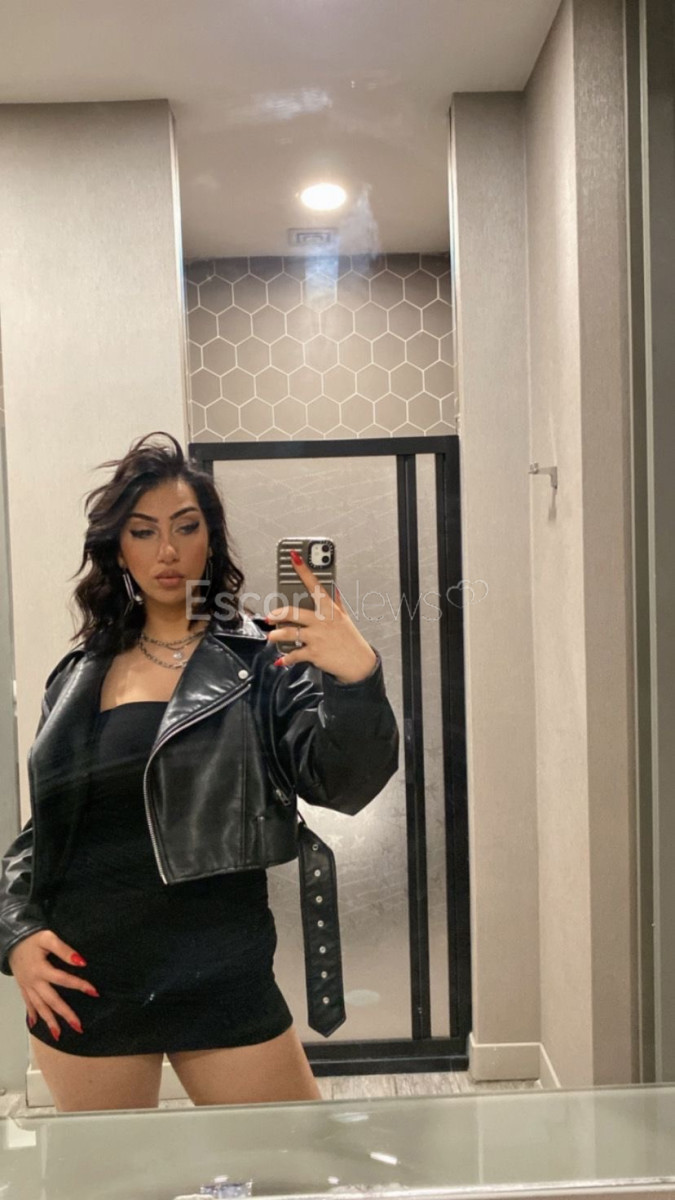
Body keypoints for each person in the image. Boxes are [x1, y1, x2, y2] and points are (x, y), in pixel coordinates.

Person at [0, 431, 399, 1112]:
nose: (167, 550)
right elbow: (50, 828)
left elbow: (340, 783)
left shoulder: (259, 658)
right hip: (88, 974)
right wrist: (17, 931)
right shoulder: (77, 674)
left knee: (285, 1162)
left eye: (186, 527)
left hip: (219, 966)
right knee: (115, 1171)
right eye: (143, 531)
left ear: (210, 540)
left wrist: (356, 679)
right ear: (117, 549)